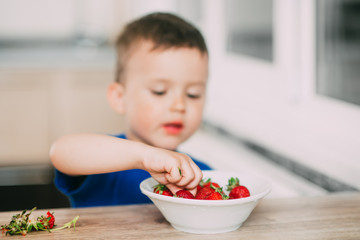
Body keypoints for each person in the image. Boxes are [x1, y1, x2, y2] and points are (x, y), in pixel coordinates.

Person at [50, 12, 212, 208]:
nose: (179, 105)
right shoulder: (101, 164)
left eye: (193, 94)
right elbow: (61, 152)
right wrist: (144, 157)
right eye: (159, 91)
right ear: (120, 98)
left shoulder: (202, 174)